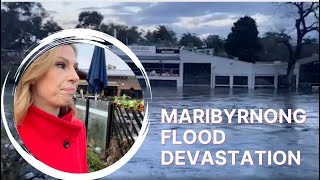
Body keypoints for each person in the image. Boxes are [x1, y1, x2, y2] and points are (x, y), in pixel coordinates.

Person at [14, 45, 88, 173]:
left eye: (75, 68)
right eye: (61, 65)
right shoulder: (12, 132)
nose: (75, 77)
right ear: (33, 73)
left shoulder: (78, 127)